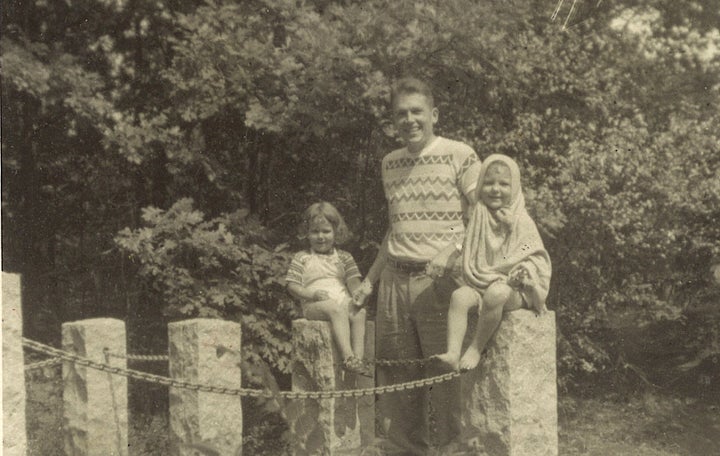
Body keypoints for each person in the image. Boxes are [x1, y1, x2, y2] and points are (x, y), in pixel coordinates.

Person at [355, 77, 482, 454]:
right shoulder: (389, 163)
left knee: (448, 382)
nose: (409, 120)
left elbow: (482, 214)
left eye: (417, 112)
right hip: (394, 281)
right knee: (397, 384)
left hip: (440, 283)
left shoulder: (461, 154)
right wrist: (369, 280)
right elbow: (395, 229)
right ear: (393, 122)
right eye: (401, 114)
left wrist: (453, 250)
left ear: (434, 114)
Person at [435, 154, 552, 371]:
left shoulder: (522, 221)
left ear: (515, 187)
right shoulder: (479, 216)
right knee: (459, 297)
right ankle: (452, 353)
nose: (495, 189)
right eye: (488, 183)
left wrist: (522, 271)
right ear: (480, 186)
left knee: (496, 294)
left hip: (514, 288)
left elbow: (534, 254)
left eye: (503, 184)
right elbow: (468, 247)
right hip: (482, 281)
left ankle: (476, 348)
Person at [286, 202, 368, 374]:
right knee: (334, 309)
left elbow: (354, 283)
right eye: (315, 232)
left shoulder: (345, 257)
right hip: (315, 305)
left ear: (336, 232)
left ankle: (359, 359)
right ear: (307, 233)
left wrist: (358, 296)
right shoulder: (302, 258)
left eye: (326, 231)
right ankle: (348, 357)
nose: (321, 236)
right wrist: (311, 294)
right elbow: (292, 286)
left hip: (341, 300)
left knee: (360, 312)